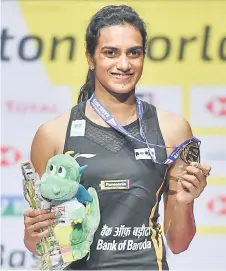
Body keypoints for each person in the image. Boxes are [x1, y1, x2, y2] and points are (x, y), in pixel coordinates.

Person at [23, 4, 211, 270]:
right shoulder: (53, 134)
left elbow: (179, 243)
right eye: (110, 53)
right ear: (90, 58)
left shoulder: (173, 130)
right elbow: (42, 244)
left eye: (134, 53)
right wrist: (33, 234)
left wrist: (184, 202)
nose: (124, 64)